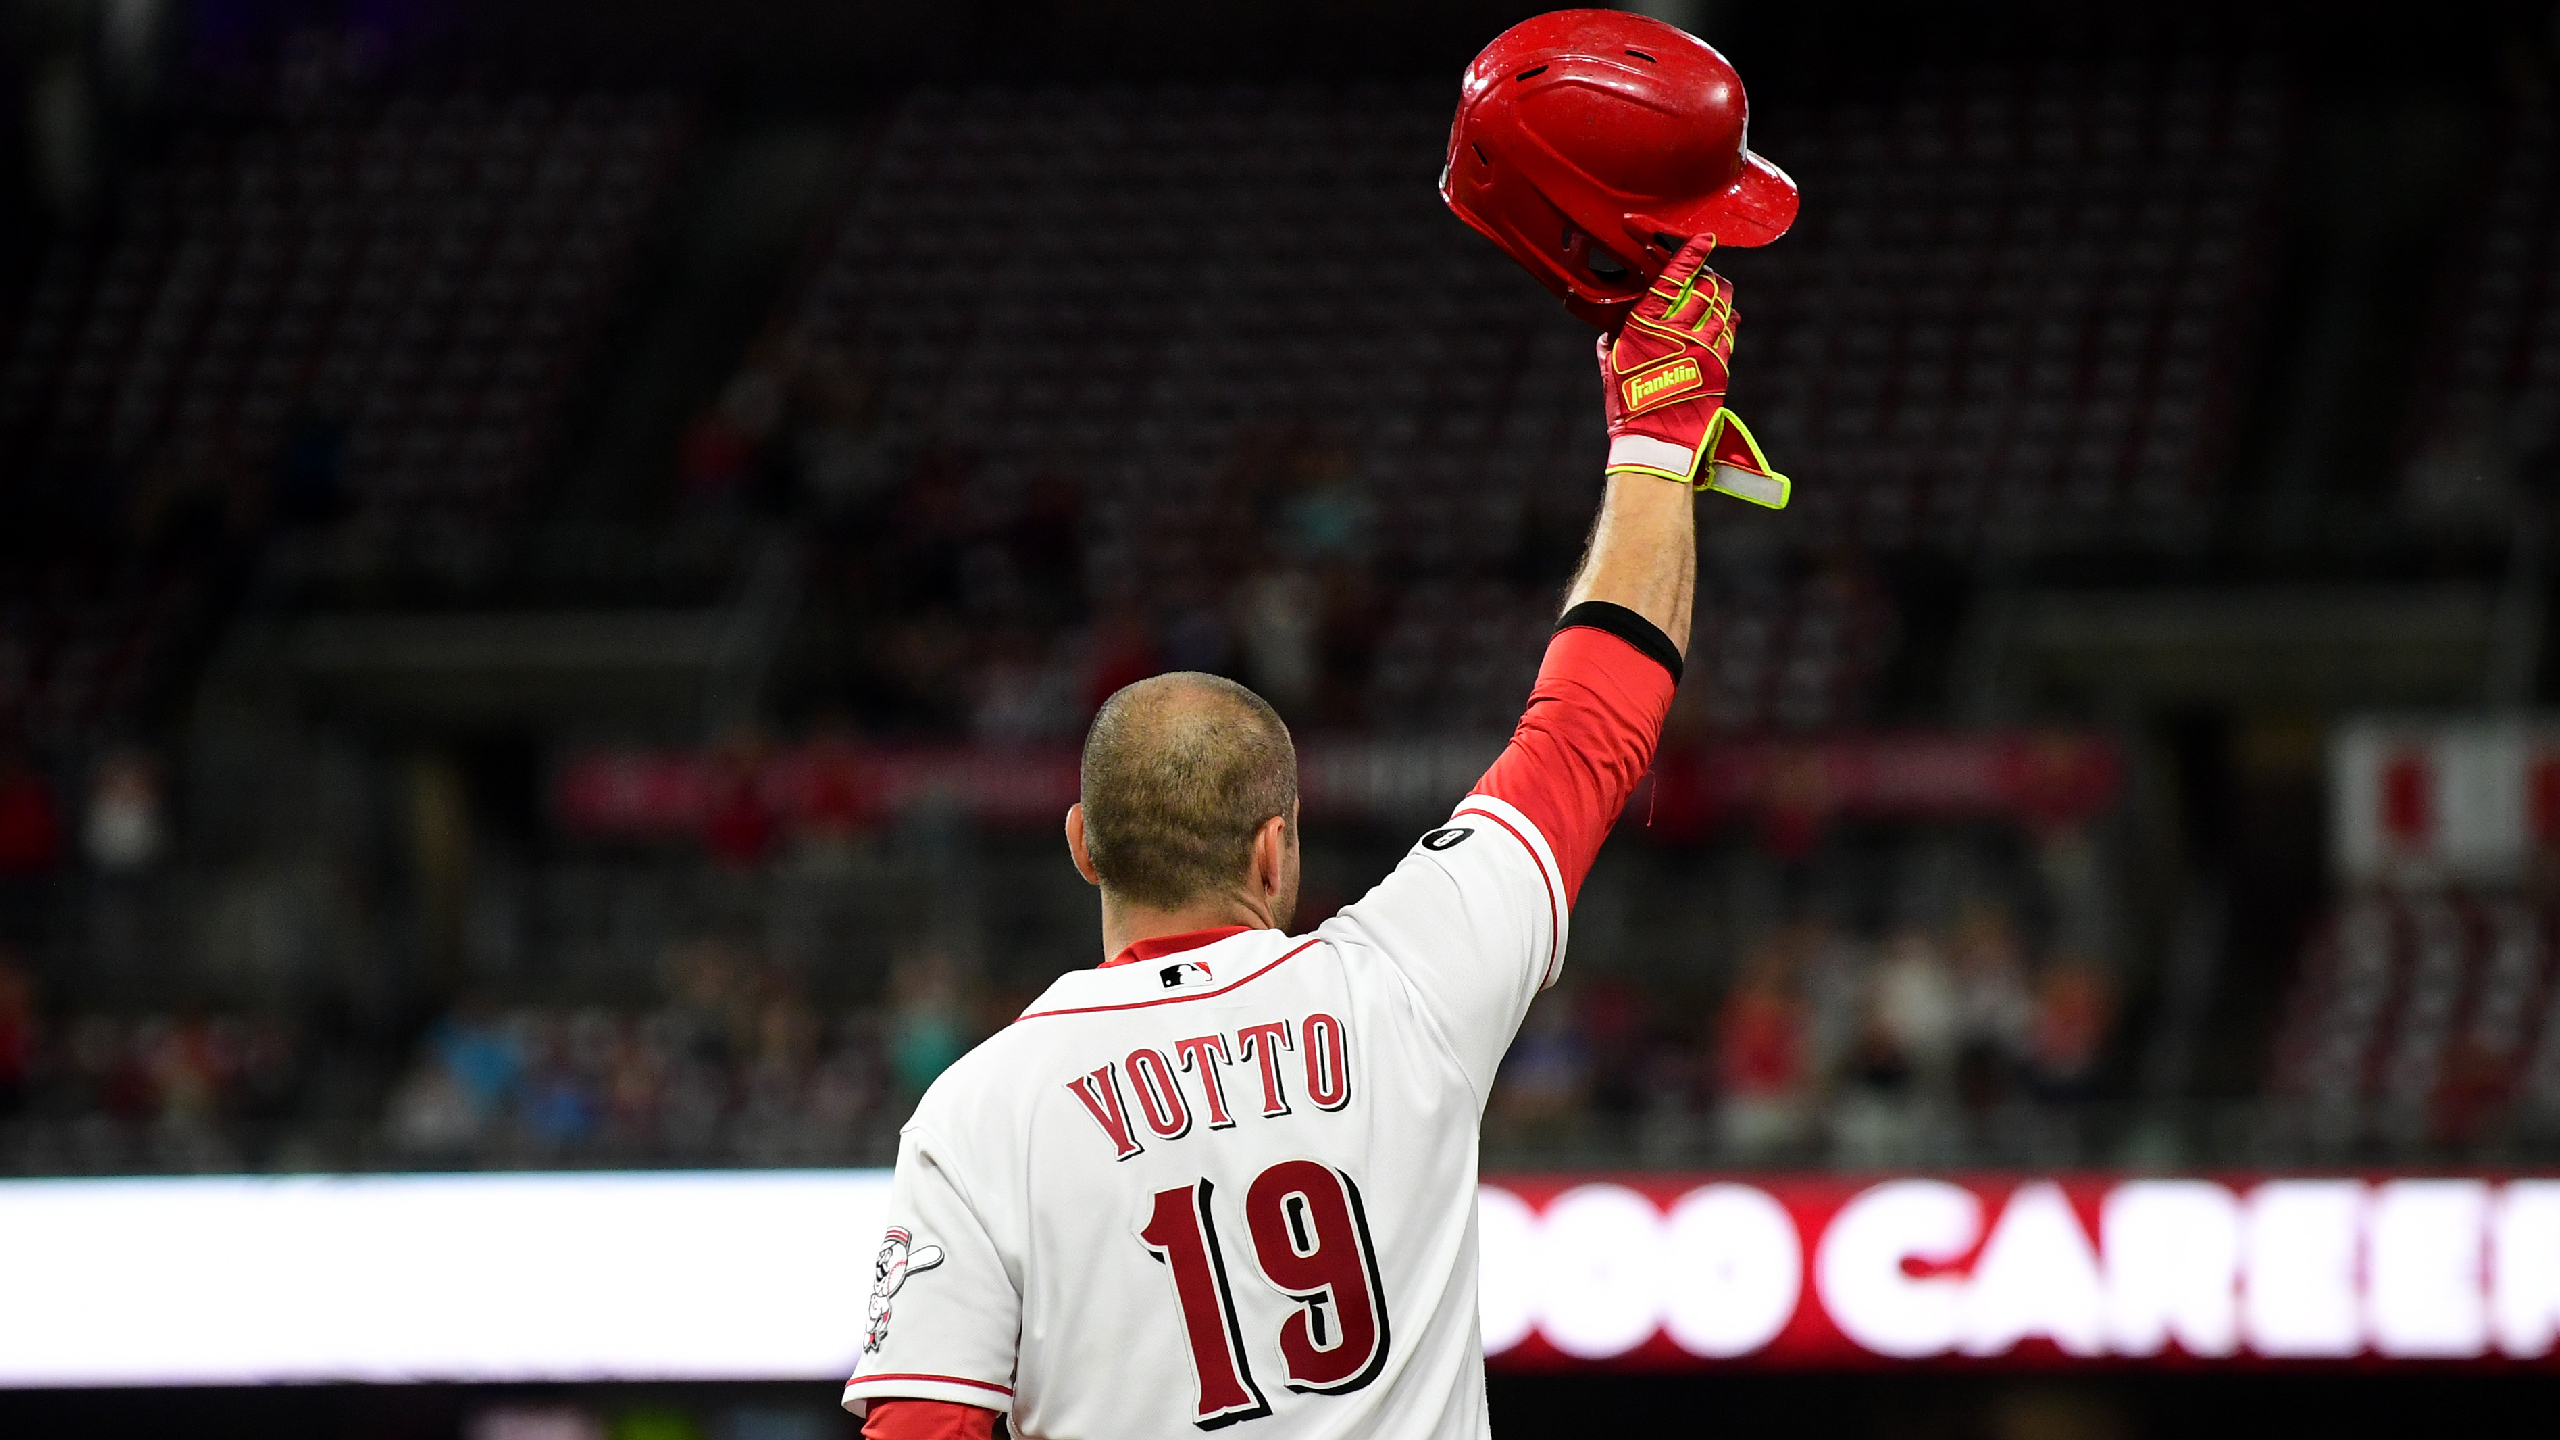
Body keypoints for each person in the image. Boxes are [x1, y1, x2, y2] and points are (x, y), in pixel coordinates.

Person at [842, 236, 1760, 1439]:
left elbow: (923, 1429)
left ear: (1083, 843)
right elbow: (1591, 722)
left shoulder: (980, 1110)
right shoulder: (1405, 983)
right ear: (1275, 850)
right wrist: (1655, 442)